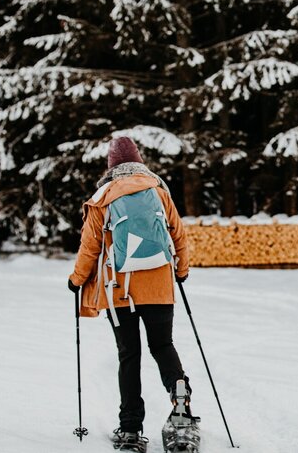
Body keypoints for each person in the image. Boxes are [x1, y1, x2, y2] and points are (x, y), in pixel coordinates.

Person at [67, 136, 194, 452]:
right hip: (159, 286)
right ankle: (180, 402)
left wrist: (76, 280)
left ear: (111, 166)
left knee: (129, 355)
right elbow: (179, 235)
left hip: (119, 290)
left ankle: (130, 430)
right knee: (163, 345)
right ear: (139, 161)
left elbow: (90, 247)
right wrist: (181, 270)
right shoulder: (158, 191)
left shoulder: (103, 197)